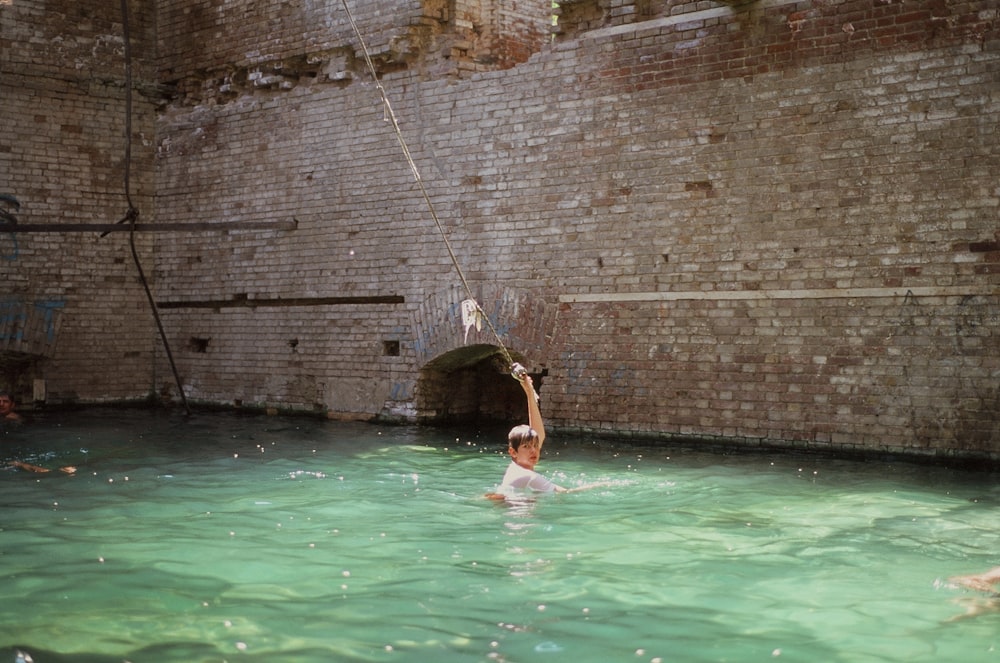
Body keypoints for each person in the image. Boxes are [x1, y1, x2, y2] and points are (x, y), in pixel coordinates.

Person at [487, 371, 609, 499]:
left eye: (535, 446)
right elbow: (565, 494)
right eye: (527, 447)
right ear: (513, 452)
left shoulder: (516, 468)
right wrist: (600, 486)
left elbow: (538, 433)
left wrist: (529, 392)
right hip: (521, 517)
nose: (534, 450)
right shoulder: (528, 476)